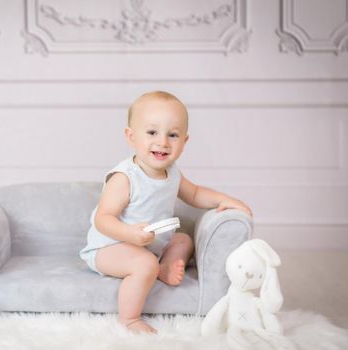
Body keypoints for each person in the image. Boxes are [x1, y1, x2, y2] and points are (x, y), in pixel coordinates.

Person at [79, 91, 253, 334]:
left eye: (173, 135)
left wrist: (225, 199)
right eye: (152, 132)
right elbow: (103, 219)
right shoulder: (125, 177)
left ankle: (164, 266)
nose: (163, 142)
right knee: (144, 263)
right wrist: (129, 234)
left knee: (183, 240)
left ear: (184, 141)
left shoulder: (173, 173)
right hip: (110, 247)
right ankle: (129, 319)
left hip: (149, 244)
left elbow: (194, 194)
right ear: (131, 136)